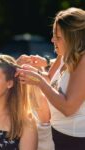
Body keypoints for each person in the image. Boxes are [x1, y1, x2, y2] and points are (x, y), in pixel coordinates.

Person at [16, 7, 85, 150]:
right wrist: (31, 72)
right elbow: (50, 80)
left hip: (75, 141)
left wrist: (38, 81)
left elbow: (68, 108)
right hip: (56, 133)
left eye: (58, 37)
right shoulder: (64, 55)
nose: (53, 39)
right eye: (54, 34)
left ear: (74, 38)